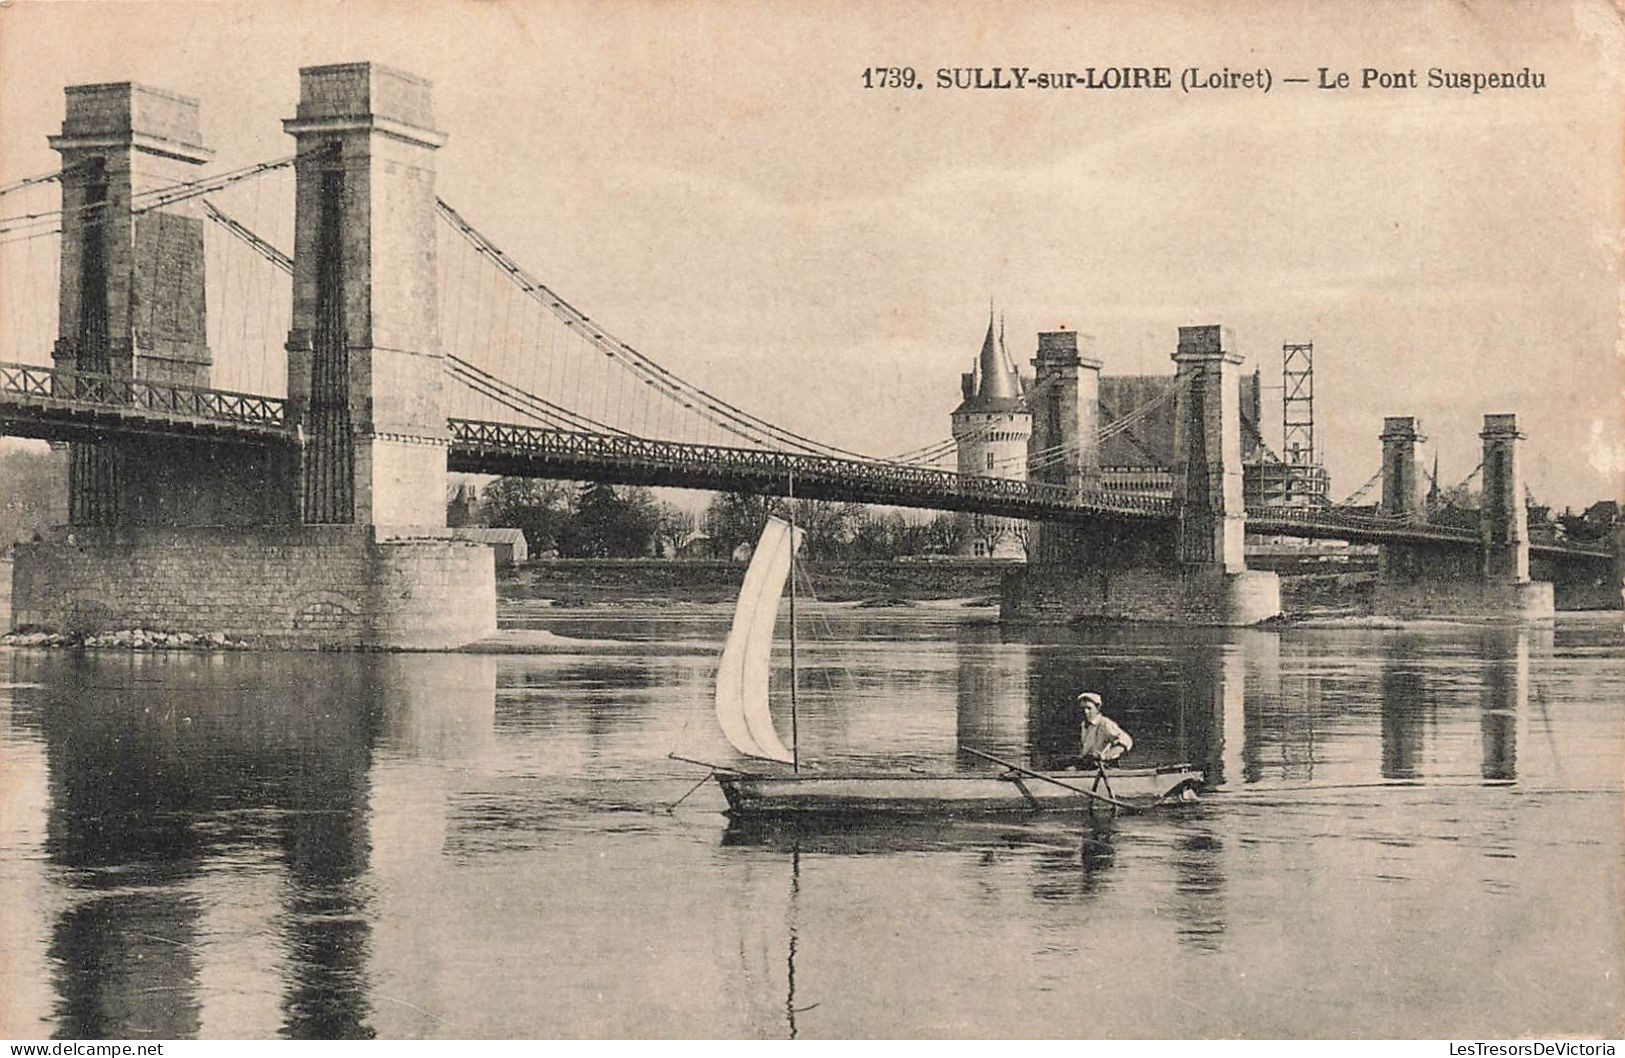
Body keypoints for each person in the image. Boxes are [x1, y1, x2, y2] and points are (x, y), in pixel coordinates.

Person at [1074, 692, 1132, 768]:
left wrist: (1105, 756)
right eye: (1082, 709)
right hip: (1090, 765)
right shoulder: (1084, 725)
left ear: (1097, 708)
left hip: (1105, 768)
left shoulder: (1105, 723)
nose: (1085, 712)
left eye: (1089, 708)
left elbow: (1127, 741)